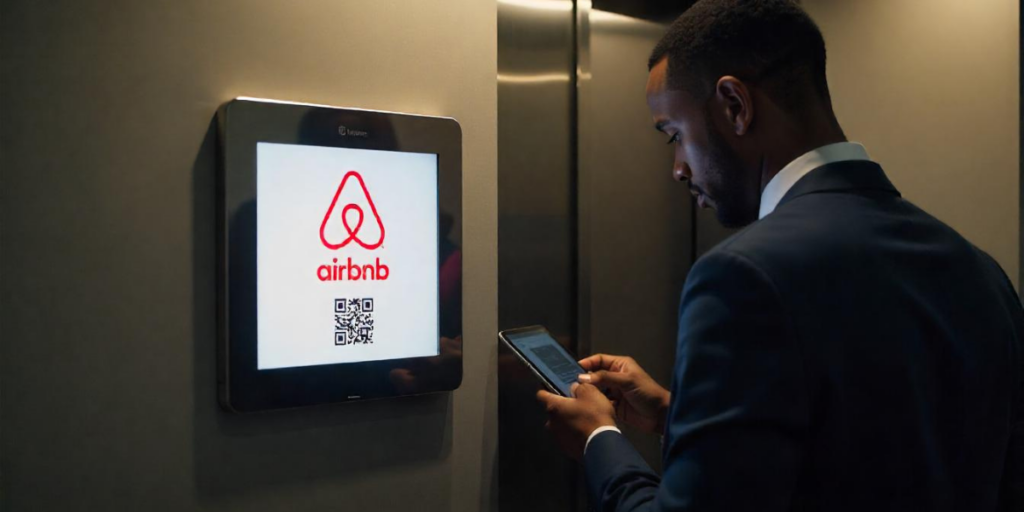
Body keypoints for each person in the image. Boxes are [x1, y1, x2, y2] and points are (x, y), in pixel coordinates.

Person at [535, 1, 1024, 510]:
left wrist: (600, 442)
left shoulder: (742, 277)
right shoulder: (979, 270)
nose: (677, 169)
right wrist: (673, 414)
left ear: (734, 106)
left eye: (675, 135)